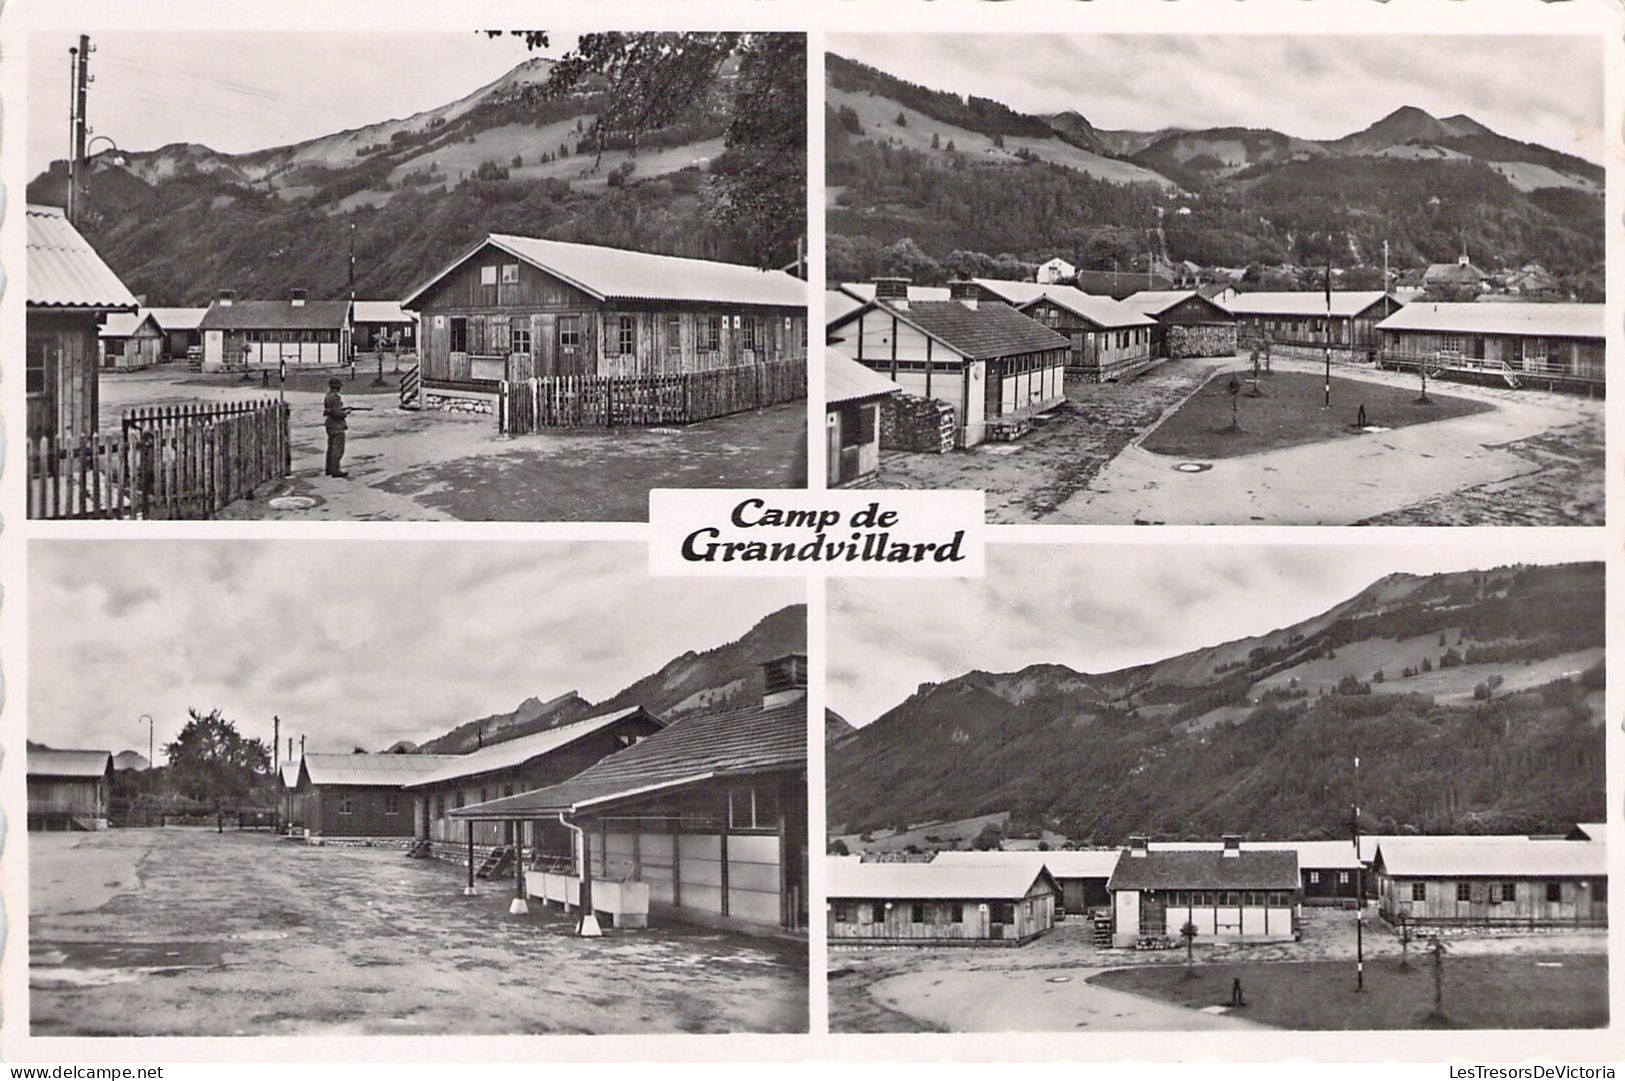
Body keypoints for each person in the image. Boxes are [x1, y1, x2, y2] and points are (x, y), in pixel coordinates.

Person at [324, 378, 353, 478]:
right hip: (337, 426)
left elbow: (331, 410)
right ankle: (336, 470)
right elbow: (337, 413)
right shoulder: (336, 398)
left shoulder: (328, 396)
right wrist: (345, 413)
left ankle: (329, 468)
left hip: (330, 425)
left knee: (331, 448)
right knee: (338, 449)